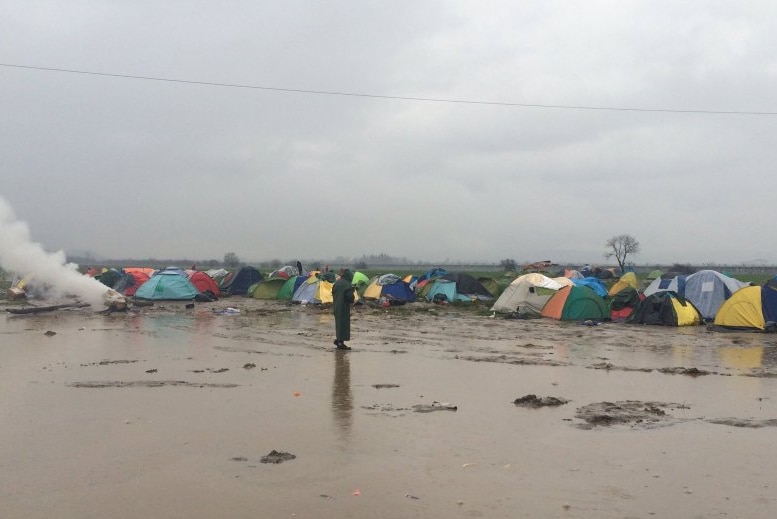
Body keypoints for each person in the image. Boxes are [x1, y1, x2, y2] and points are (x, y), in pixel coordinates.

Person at [332, 269, 355, 350]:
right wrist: (353, 293)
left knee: (338, 324)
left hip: (336, 306)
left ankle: (338, 340)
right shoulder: (347, 285)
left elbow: (333, 293)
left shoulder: (336, 282)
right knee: (344, 325)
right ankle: (340, 343)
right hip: (344, 307)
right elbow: (350, 298)